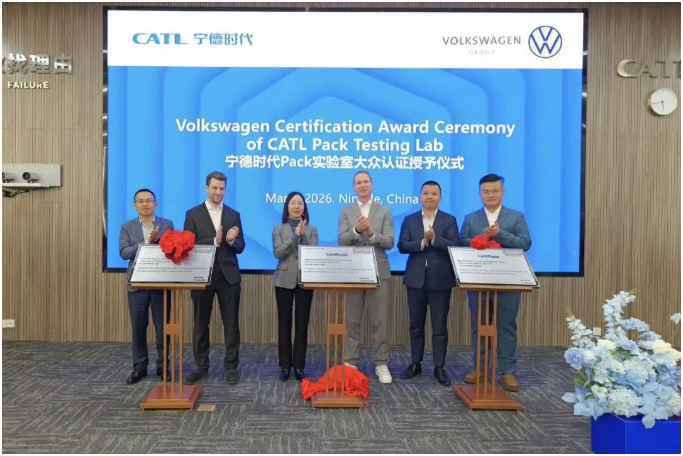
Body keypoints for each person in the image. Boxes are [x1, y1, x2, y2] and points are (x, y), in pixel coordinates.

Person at [460, 174, 532, 392]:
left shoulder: (516, 217)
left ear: (502, 192)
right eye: (486, 191)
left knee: (506, 326)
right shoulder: (471, 218)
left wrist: (500, 235)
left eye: (495, 191)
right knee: (479, 325)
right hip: (478, 281)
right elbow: (461, 241)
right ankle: (480, 367)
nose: (490, 195)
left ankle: (507, 371)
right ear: (479, 193)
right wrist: (479, 241)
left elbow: (525, 243)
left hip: (508, 281)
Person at [184, 171, 245, 385]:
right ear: (206, 188)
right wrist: (215, 241)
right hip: (202, 276)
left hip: (229, 277)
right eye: (215, 188)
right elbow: (188, 245)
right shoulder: (193, 214)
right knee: (201, 323)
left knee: (231, 324)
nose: (218, 192)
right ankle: (201, 366)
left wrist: (231, 240)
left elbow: (241, 246)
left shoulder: (233, 214)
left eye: (222, 188)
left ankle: (231, 367)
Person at [397, 181, 459, 386]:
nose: (430, 196)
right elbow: (402, 245)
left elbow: (455, 245)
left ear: (440, 197)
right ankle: (415, 363)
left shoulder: (449, 220)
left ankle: (439, 367)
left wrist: (435, 239)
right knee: (416, 325)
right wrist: (422, 242)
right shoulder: (410, 220)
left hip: (440, 280)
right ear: (420, 197)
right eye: (426, 193)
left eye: (434, 193)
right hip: (415, 280)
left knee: (439, 326)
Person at [338, 171, 395, 384]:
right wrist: (356, 230)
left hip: (378, 271)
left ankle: (381, 363)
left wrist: (371, 233)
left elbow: (389, 242)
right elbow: (342, 240)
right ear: (353, 187)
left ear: (372, 185)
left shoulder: (384, 210)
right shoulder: (346, 211)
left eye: (366, 182)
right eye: (358, 182)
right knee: (352, 321)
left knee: (379, 321)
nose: (362, 185)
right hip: (353, 271)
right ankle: (351, 361)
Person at [119, 188, 174, 384]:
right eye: (140, 201)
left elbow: (173, 250)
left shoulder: (167, 224)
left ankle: (163, 367)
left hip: (161, 284)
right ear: (134, 206)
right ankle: (139, 367)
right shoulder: (127, 226)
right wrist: (146, 243)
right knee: (138, 328)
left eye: (149, 201)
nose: (145, 204)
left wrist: (159, 242)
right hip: (137, 285)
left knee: (162, 329)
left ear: (155, 204)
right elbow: (124, 252)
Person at [272, 191, 319, 382]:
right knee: (284, 324)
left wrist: (302, 235)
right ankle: (284, 365)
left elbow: (313, 251)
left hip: (305, 280)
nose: (297, 206)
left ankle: (299, 365)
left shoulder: (312, 229)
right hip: (283, 280)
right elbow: (278, 253)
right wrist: (294, 237)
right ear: (287, 207)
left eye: (300, 203)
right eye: (293, 203)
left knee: (302, 324)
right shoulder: (278, 229)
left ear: (304, 208)